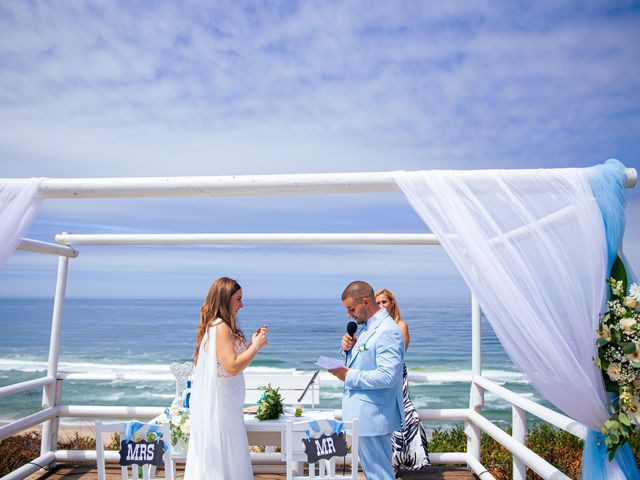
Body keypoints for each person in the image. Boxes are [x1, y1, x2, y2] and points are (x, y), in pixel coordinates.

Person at [184, 277, 268, 480]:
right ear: (225, 299)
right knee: (227, 458)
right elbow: (231, 367)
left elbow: (229, 360)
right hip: (223, 410)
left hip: (228, 406)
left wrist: (250, 345)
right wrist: (255, 348)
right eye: (238, 299)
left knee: (229, 458)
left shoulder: (219, 326)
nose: (242, 304)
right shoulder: (220, 327)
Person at [328, 281, 404, 480]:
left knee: (380, 475)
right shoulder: (366, 328)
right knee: (374, 474)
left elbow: (389, 376)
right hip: (364, 415)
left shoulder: (387, 330)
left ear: (365, 302)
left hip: (374, 415)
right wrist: (348, 350)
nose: (349, 315)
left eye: (351, 309)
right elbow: (364, 362)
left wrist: (348, 375)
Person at [375, 288, 430, 475]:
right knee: (385, 415)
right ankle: (389, 463)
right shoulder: (373, 325)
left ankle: (403, 460)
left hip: (397, 374)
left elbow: (400, 354)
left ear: (391, 303)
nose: (381, 306)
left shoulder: (401, 325)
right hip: (379, 374)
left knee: (408, 416)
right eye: (378, 303)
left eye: (384, 302)